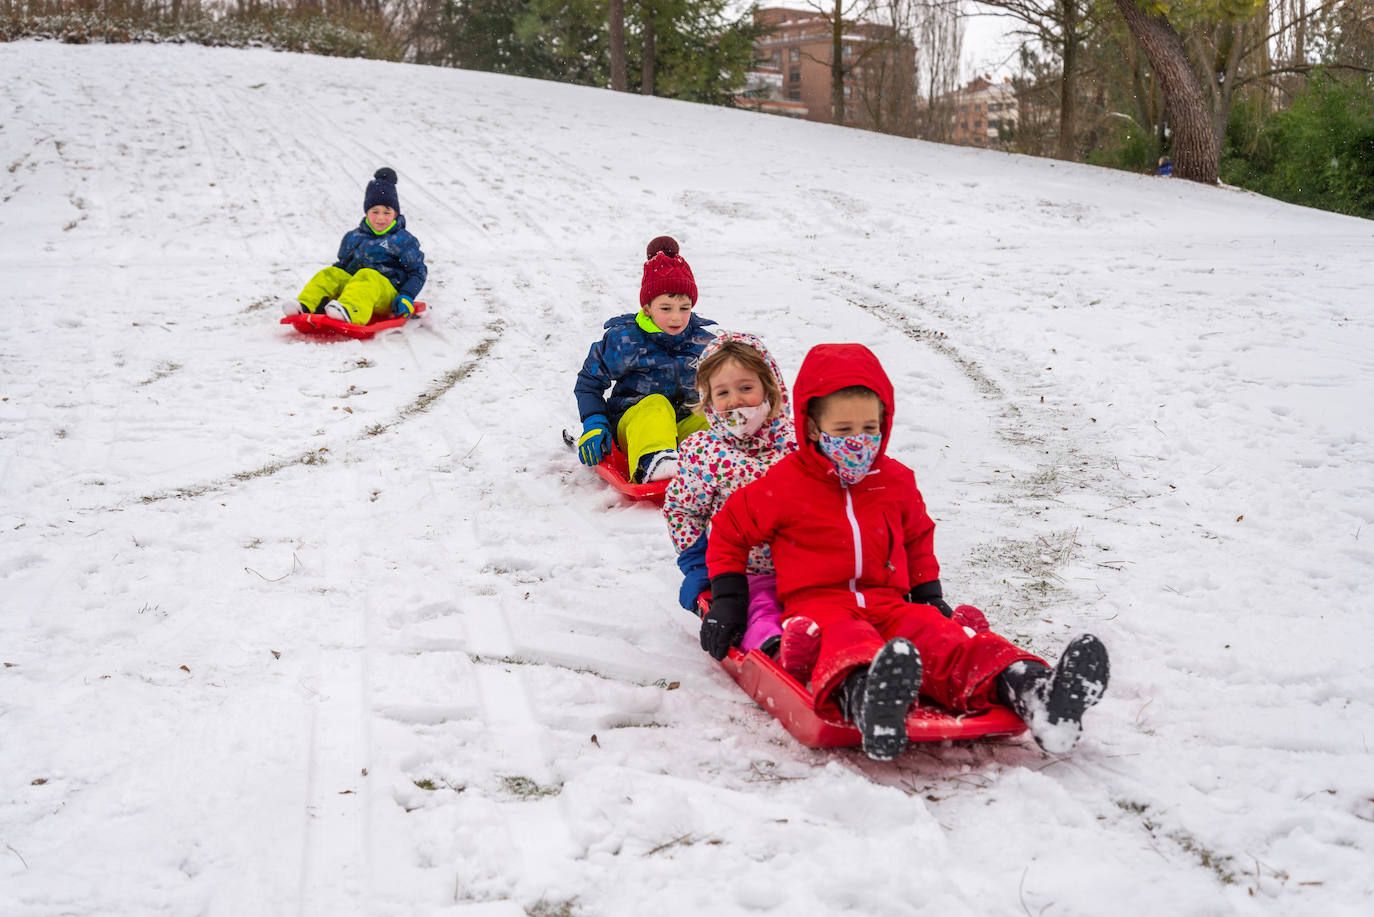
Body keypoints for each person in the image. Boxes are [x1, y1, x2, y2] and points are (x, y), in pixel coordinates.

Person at [701, 343, 1110, 760]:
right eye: (843, 431)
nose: (859, 442)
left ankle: (1034, 691)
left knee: (945, 639)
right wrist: (730, 599)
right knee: (844, 642)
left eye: (870, 429)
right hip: (818, 603)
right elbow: (729, 531)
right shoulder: (784, 484)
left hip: (890, 601)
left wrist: (929, 594)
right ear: (810, 428)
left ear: (885, 422)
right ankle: (871, 702)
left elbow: (917, 536)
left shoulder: (895, 481)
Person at [663, 332, 821, 680]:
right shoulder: (705, 451)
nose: (735, 401)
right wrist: (700, 568)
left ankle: (840, 651)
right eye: (722, 393)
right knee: (759, 611)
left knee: (826, 608)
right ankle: (776, 651)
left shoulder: (801, 444)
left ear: (771, 388)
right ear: (708, 402)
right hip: (742, 573)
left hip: (807, 566)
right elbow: (683, 509)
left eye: (746, 388)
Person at [574, 236, 717, 483]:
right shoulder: (624, 340)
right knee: (656, 404)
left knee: (714, 411)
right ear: (648, 308)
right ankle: (654, 462)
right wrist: (595, 421)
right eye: (666, 308)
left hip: (679, 427)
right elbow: (589, 382)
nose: (676, 318)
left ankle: (727, 458)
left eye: (684, 308)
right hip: (634, 428)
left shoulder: (702, 343)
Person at [289, 167, 427, 325]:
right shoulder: (354, 237)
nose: (380, 218)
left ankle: (349, 311)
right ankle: (306, 305)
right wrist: (331, 288)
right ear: (366, 213)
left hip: (386, 296)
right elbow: (342, 266)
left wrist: (407, 295)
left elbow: (418, 271)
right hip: (354, 290)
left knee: (367, 275)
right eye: (375, 211)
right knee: (331, 273)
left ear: (395, 215)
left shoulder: (402, 240)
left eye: (387, 212)